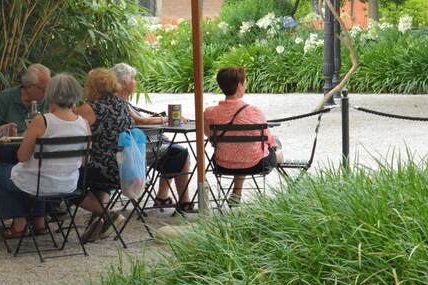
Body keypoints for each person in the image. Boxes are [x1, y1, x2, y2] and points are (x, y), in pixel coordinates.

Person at [0, 73, 90, 238]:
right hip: (69, 185)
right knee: (39, 174)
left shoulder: (41, 121)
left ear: (50, 94)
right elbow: (86, 160)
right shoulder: (83, 123)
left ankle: (20, 223)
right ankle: (39, 222)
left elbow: (22, 156)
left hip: (39, 185)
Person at [110, 63, 194, 212]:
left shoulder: (114, 102)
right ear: (123, 83)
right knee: (180, 153)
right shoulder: (119, 103)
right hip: (136, 153)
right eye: (133, 79)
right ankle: (183, 202)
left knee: (173, 151)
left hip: (130, 149)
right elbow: (139, 121)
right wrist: (167, 119)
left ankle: (163, 197)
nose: (135, 82)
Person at [204, 66, 283, 204]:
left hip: (222, 164)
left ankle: (237, 193)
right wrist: (274, 143)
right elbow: (269, 141)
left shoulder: (210, 113)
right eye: (244, 82)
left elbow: (209, 135)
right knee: (276, 145)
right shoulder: (254, 111)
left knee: (239, 151)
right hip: (258, 165)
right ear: (239, 85)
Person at [75, 68, 132, 242]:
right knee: (99, 166)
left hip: (97, 169)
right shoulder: (123, 104)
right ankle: (98, 220)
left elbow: (66, 125)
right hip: (121, 168)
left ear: (92, 88)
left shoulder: (89, 108)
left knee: (63, 180)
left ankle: (107, 215)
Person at [0, 63, 50, 135]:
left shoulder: (47, 102)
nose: (46, 93)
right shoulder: (5, 98)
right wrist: (2, 131)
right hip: (8, 144)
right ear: (29, 87)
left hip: (37, 145)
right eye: (44, 90)